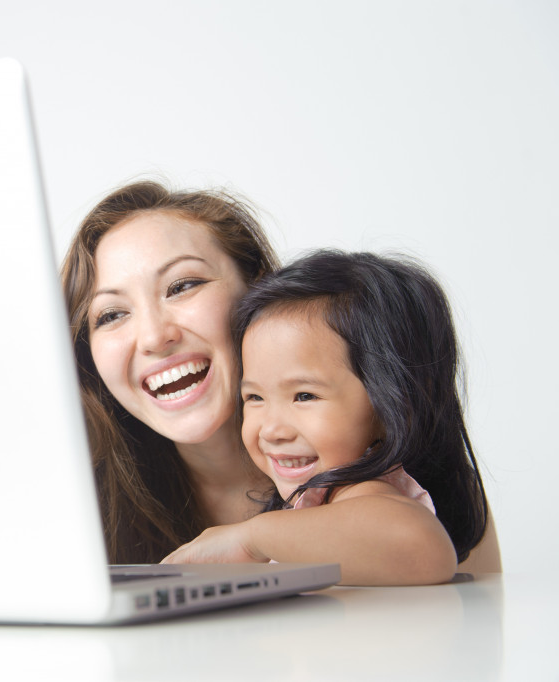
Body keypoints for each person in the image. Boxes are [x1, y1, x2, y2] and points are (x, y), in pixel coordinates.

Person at [162, 250, 489, 585]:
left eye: (304, 396)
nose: (272, 430)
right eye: (255, 397)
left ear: (398, 404)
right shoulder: (318, 501)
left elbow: (422, 550)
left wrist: (250, 539)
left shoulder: (365, 492)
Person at [60, 180, 279, 564]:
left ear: (258, 289)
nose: (155, 337)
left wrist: (252, 539)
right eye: (112, 315)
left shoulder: (353, 445)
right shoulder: (80, 514)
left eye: (182, 286)